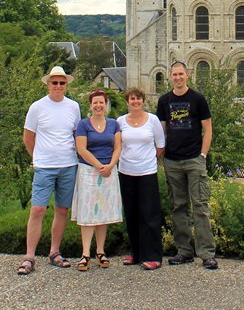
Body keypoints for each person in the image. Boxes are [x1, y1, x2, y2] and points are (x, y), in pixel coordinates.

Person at [18, 65, 81, 275]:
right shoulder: (37, 107)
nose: (58, 86)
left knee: (62, 210)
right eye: (54, 82)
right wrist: (37, 157)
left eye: (62, 83)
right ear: (48, 84)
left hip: (68, 165)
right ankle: (29, 257)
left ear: (66, 85)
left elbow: (76, 135)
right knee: (37, 210)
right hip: (45, 167)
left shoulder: (73, 107)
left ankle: (55, 252)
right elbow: (28, 137)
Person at [156, 61, 218, 269]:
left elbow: (208, 129)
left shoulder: (197, 99)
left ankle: (207, 253)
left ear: (187, 75)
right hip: (172, 160)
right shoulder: (164, 101)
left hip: (193, 159)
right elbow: (162, 131)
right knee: (178, 207)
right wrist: (162, 155)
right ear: (170, 77)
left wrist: (202, 155)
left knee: (200, 206)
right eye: (174, 74)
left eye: (181, 74)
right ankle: (184, 251)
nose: (178, 77)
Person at [72, 89, 123, 271]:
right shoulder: (83, 125)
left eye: (101, 102)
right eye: (95, 103)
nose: (98, 106)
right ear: (91, 105)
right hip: (88, 171)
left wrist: (109, 165)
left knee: (103, 212)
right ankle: (85, 253)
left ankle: (100, 251)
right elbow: (82, 149)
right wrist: (98, 166)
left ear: (106, 104)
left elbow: (118, 147)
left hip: (108, 171)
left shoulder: (113, 124)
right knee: (88, 212)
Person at [118, 87, 165, 270]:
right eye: (132, 99)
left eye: (138, 98)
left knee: (150, 214)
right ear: (127, 102)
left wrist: (148, 160)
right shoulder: (120, 121)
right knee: (131, 213)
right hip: (126, 172)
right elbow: (117, 145)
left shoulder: (152, 120)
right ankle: (136, 253)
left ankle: (153, 255)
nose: (135, 101)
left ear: (143, 101)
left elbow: (160, 146)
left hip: (147, 172)